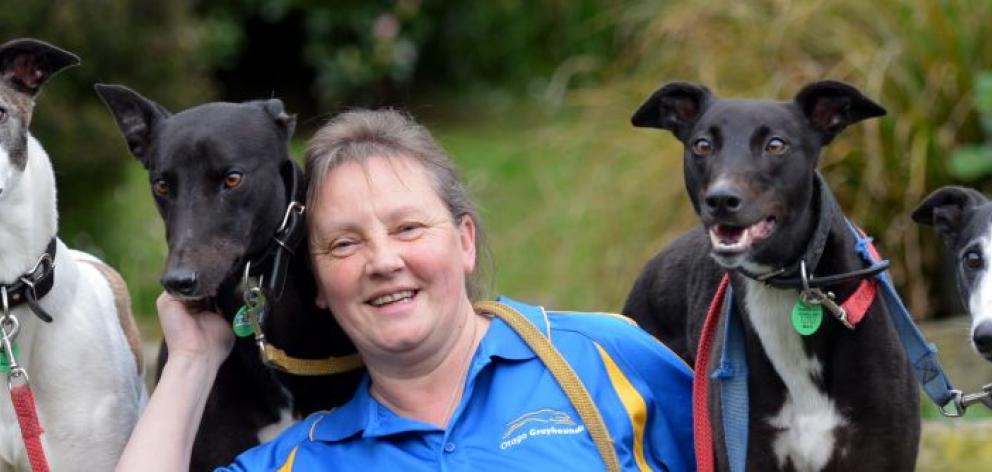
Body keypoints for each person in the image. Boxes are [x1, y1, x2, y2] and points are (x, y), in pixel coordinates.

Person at [116, 109, 694, 471]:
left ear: (464, 241)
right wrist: (192, 361)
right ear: (319, 285)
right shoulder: (303, 455)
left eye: (408, 228)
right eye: (344, 244)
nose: (383, 261)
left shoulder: (602, 357)